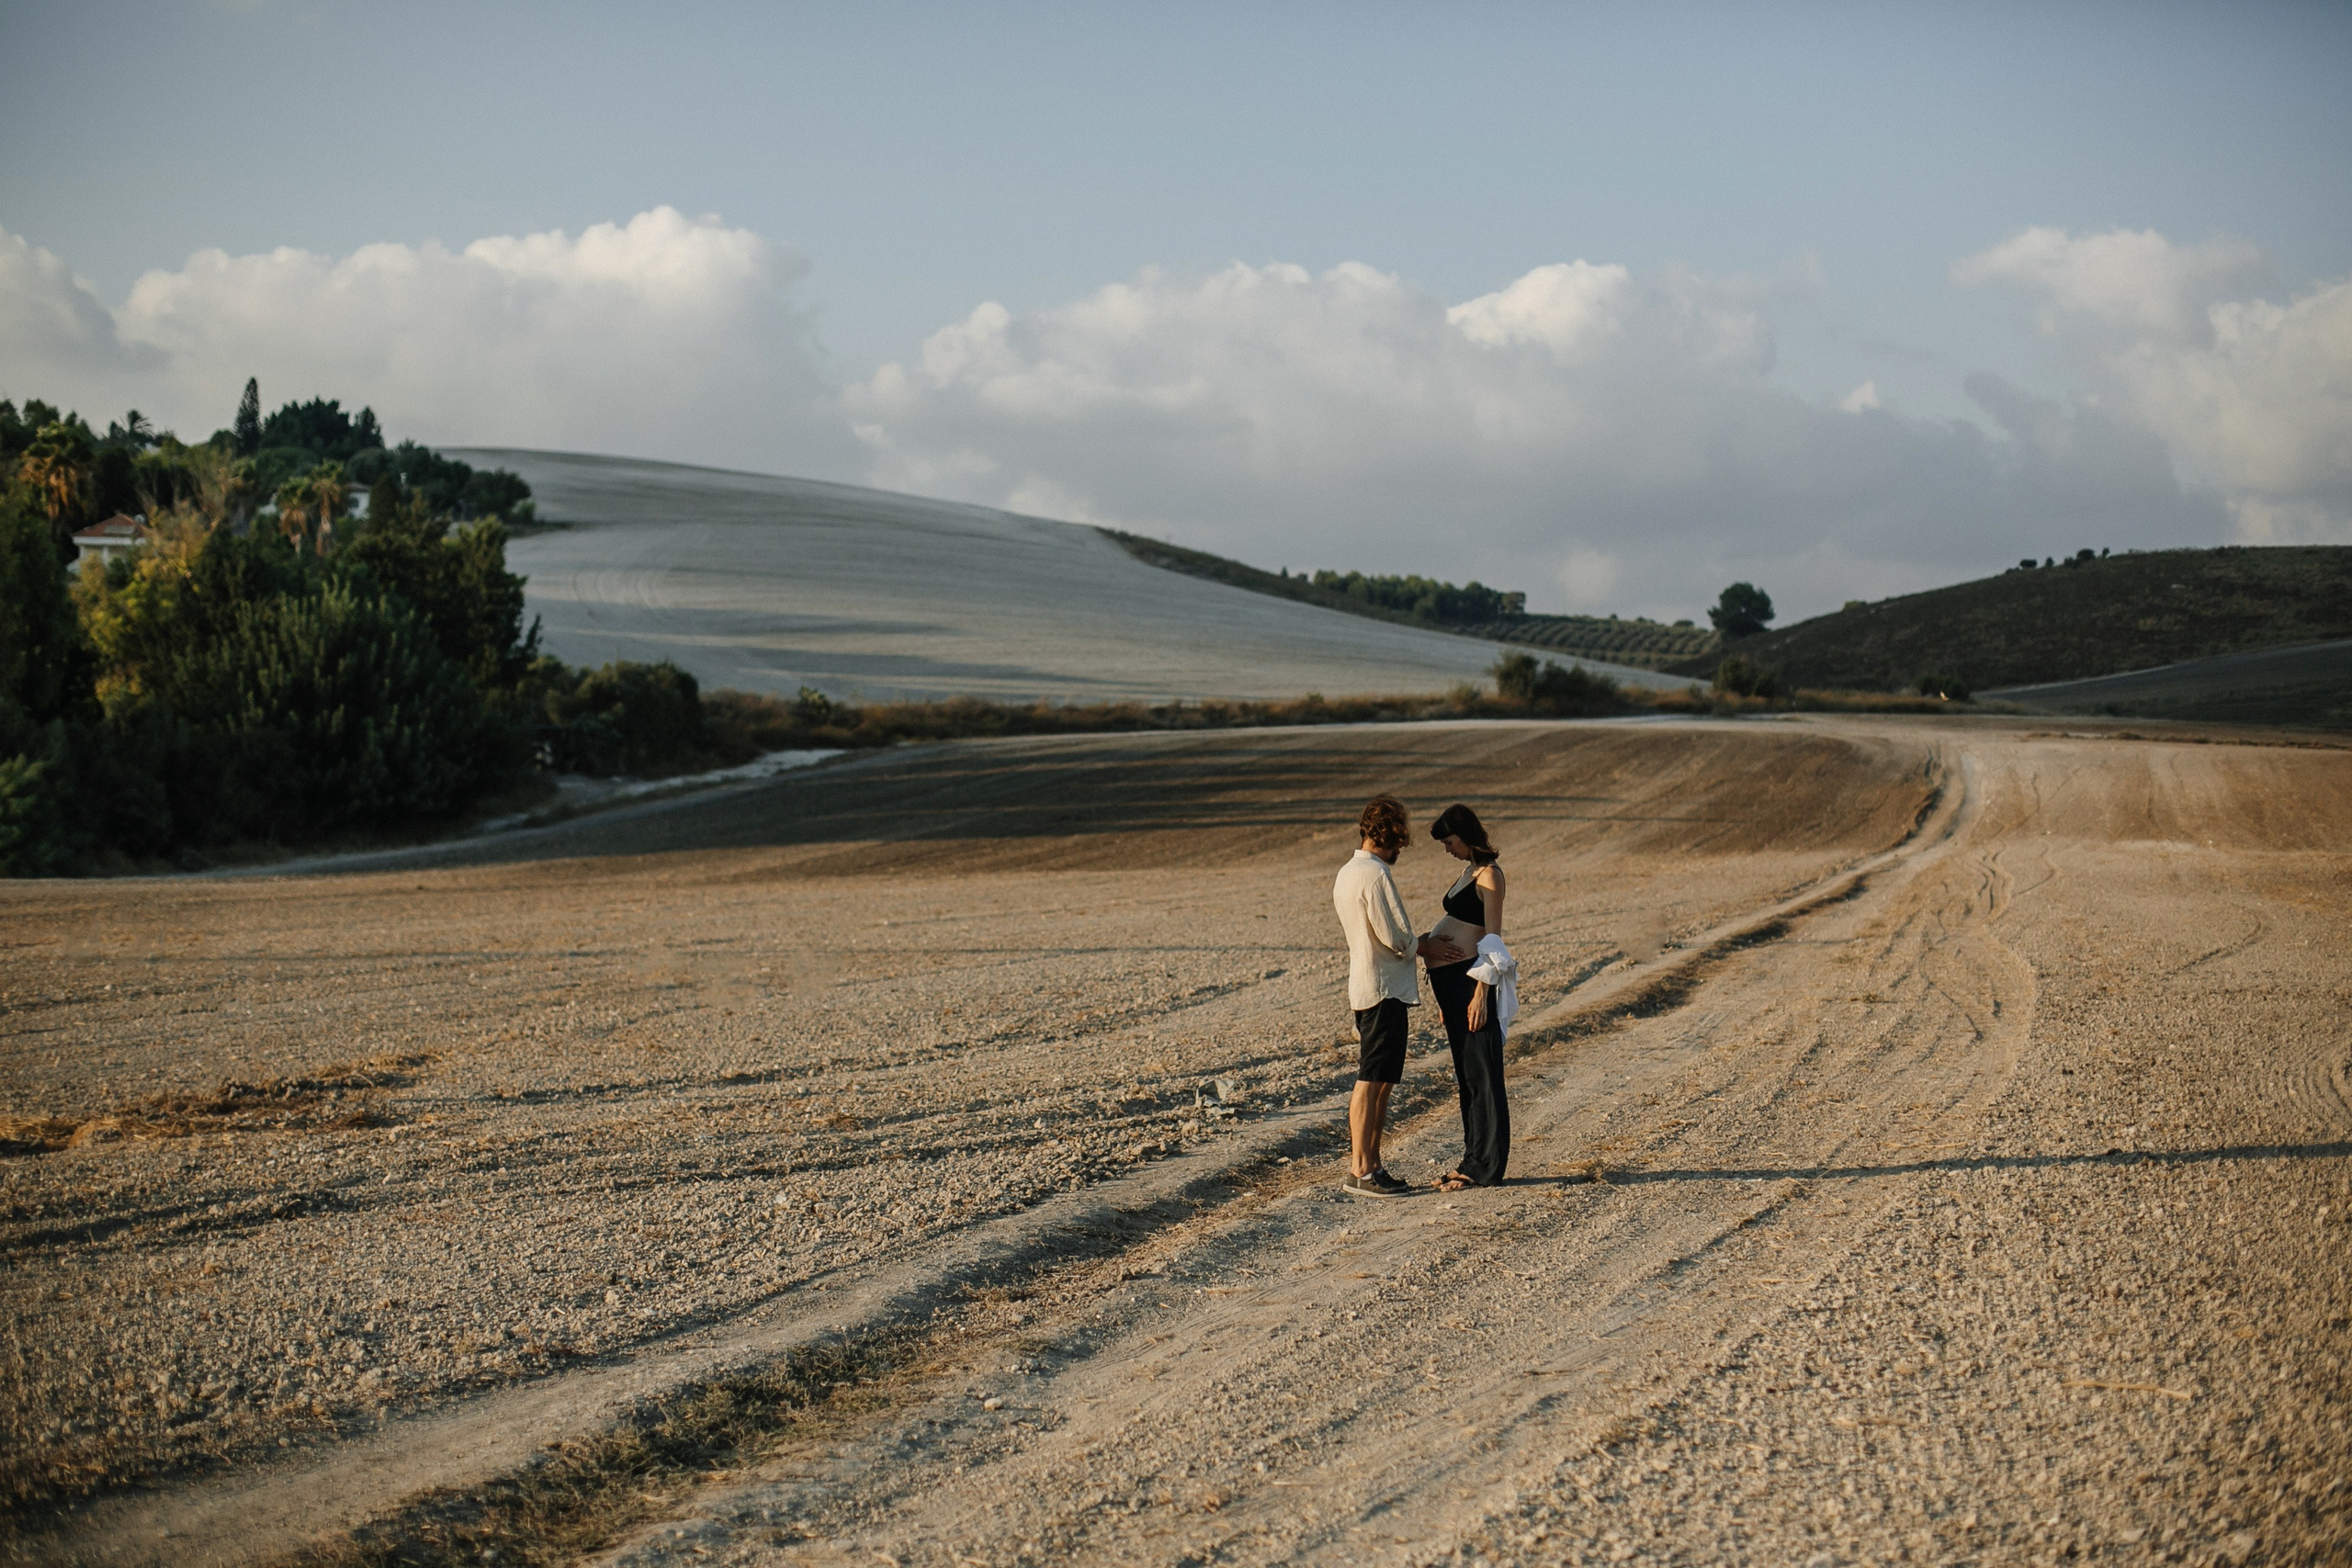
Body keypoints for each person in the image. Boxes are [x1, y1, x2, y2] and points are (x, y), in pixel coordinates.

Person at [1332, 795, 1466, 1198]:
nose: (1399, 852)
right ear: (1388, 837)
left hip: (1368, 984)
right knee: (1371, 1081)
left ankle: (1371, 1166)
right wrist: (1423, 945)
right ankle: (1362, 1170)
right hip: (1384, 989)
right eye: (1399, 843)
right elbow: (1394, 937)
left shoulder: (1347, 871)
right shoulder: (1374, 875)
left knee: (1382, 1080)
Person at [1424, 803, 1514, 1190]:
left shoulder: (1491, 876)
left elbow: (1493, 941)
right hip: (1452, 987)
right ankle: (1472, 1158)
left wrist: (1481, 994)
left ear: (1466, 834)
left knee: (1484, 1074)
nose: (1447, 848)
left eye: (1450, 841)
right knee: (1467, 1077)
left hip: (1471, 983)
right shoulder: (1468, 872)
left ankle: (1486, 1167)